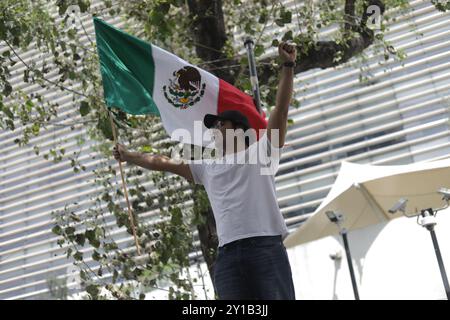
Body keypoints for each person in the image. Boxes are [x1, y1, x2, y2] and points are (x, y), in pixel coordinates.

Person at [113, 42, 297, 300]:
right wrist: (128, 155)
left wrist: (287, 66)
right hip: (228, 257)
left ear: (238, 129)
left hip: (264, 247)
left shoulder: (262, 152)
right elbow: (162, 162)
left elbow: (282, 108)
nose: (215, 129)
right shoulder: (207, 167)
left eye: (220, 124)